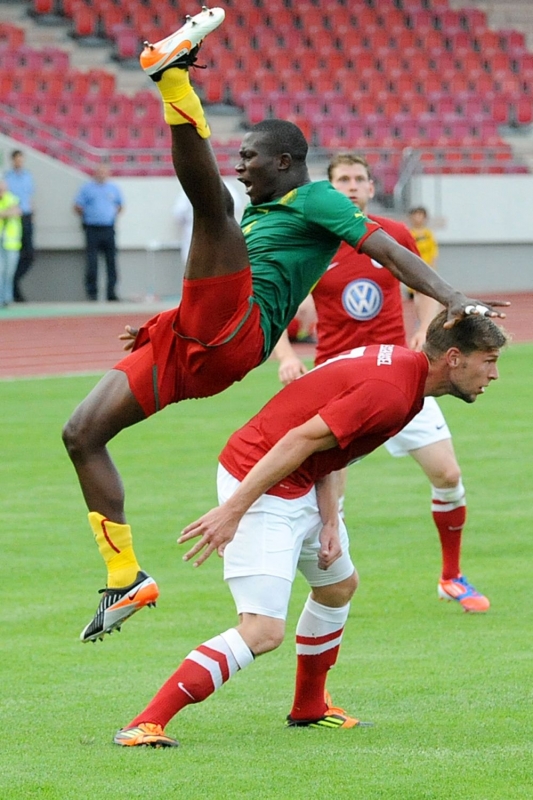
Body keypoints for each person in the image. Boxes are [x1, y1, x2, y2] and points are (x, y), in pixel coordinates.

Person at [61, 7, 507, 645]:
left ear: (286, 161)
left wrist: (454, 297)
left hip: (236, 334)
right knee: (81, 433)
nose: (242, 166)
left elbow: (387, 249)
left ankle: (173, 78)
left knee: (212, 207)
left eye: (249, 157)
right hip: (190, 342)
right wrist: (164, 323)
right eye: (239, 156)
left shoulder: (317, 197)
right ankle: (124, 576)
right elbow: (217, 276)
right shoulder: (268, 210)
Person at [112, 311, 507, 747]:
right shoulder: (393, 391)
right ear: (454, 358)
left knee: (337, 587)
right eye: (488, 361)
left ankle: (310, 706)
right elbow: (299, 439)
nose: (494, 374)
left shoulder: (405, 375)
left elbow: (333, 447)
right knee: (262, 630)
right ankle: (145, 723)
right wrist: (233, 510)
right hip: (261, 479)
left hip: (297, 478)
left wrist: (330, 520)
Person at [274, 154, 489, 612]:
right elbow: (276, 308)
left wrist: (425, 329)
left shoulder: (393, 235)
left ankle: (451, 577)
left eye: (359, 179)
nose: (352, 186)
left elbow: (425, 290)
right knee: (331, 498)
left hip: (401, 376)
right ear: (329, 190)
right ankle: (329, 593)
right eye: (342, 180)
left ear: (372, 188)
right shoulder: (312, 244)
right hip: (340, 383)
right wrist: (288, 356)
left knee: (448, 475)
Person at [73, 164, 124, 302]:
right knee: (92, 262)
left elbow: (120, 205)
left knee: (111, 261)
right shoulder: (87, 188)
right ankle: (92, 293)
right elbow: (77, 206)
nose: (102, 174)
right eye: (99, 172)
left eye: (104, 172)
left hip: (108, 228)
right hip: (92, 228)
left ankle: (111, 293)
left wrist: (110, 215)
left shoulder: (113, 188)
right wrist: (89, 216)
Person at [173, 177, 246, 265]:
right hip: (213, 241)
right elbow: (236, 207)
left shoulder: (190, 190)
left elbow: (178, 214)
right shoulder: (226, 187)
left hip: (197, 240)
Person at [4, 150, 35, 303]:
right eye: (17, 159)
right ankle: (10, 291)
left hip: (26, 216)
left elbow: (29, 197)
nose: (19, 162)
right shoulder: (7, 177)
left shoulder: (28, 176)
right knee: (10, 256)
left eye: (21, 160)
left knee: (29, 255)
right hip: (11, 219)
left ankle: (14, 281)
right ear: (12, 160)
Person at [0, 179, 22, 307]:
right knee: (0, 270)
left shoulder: (11, 198)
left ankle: (7, 298)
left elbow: (16, 211)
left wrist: (4, 213)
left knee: (9, 272)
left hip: (11, 242)